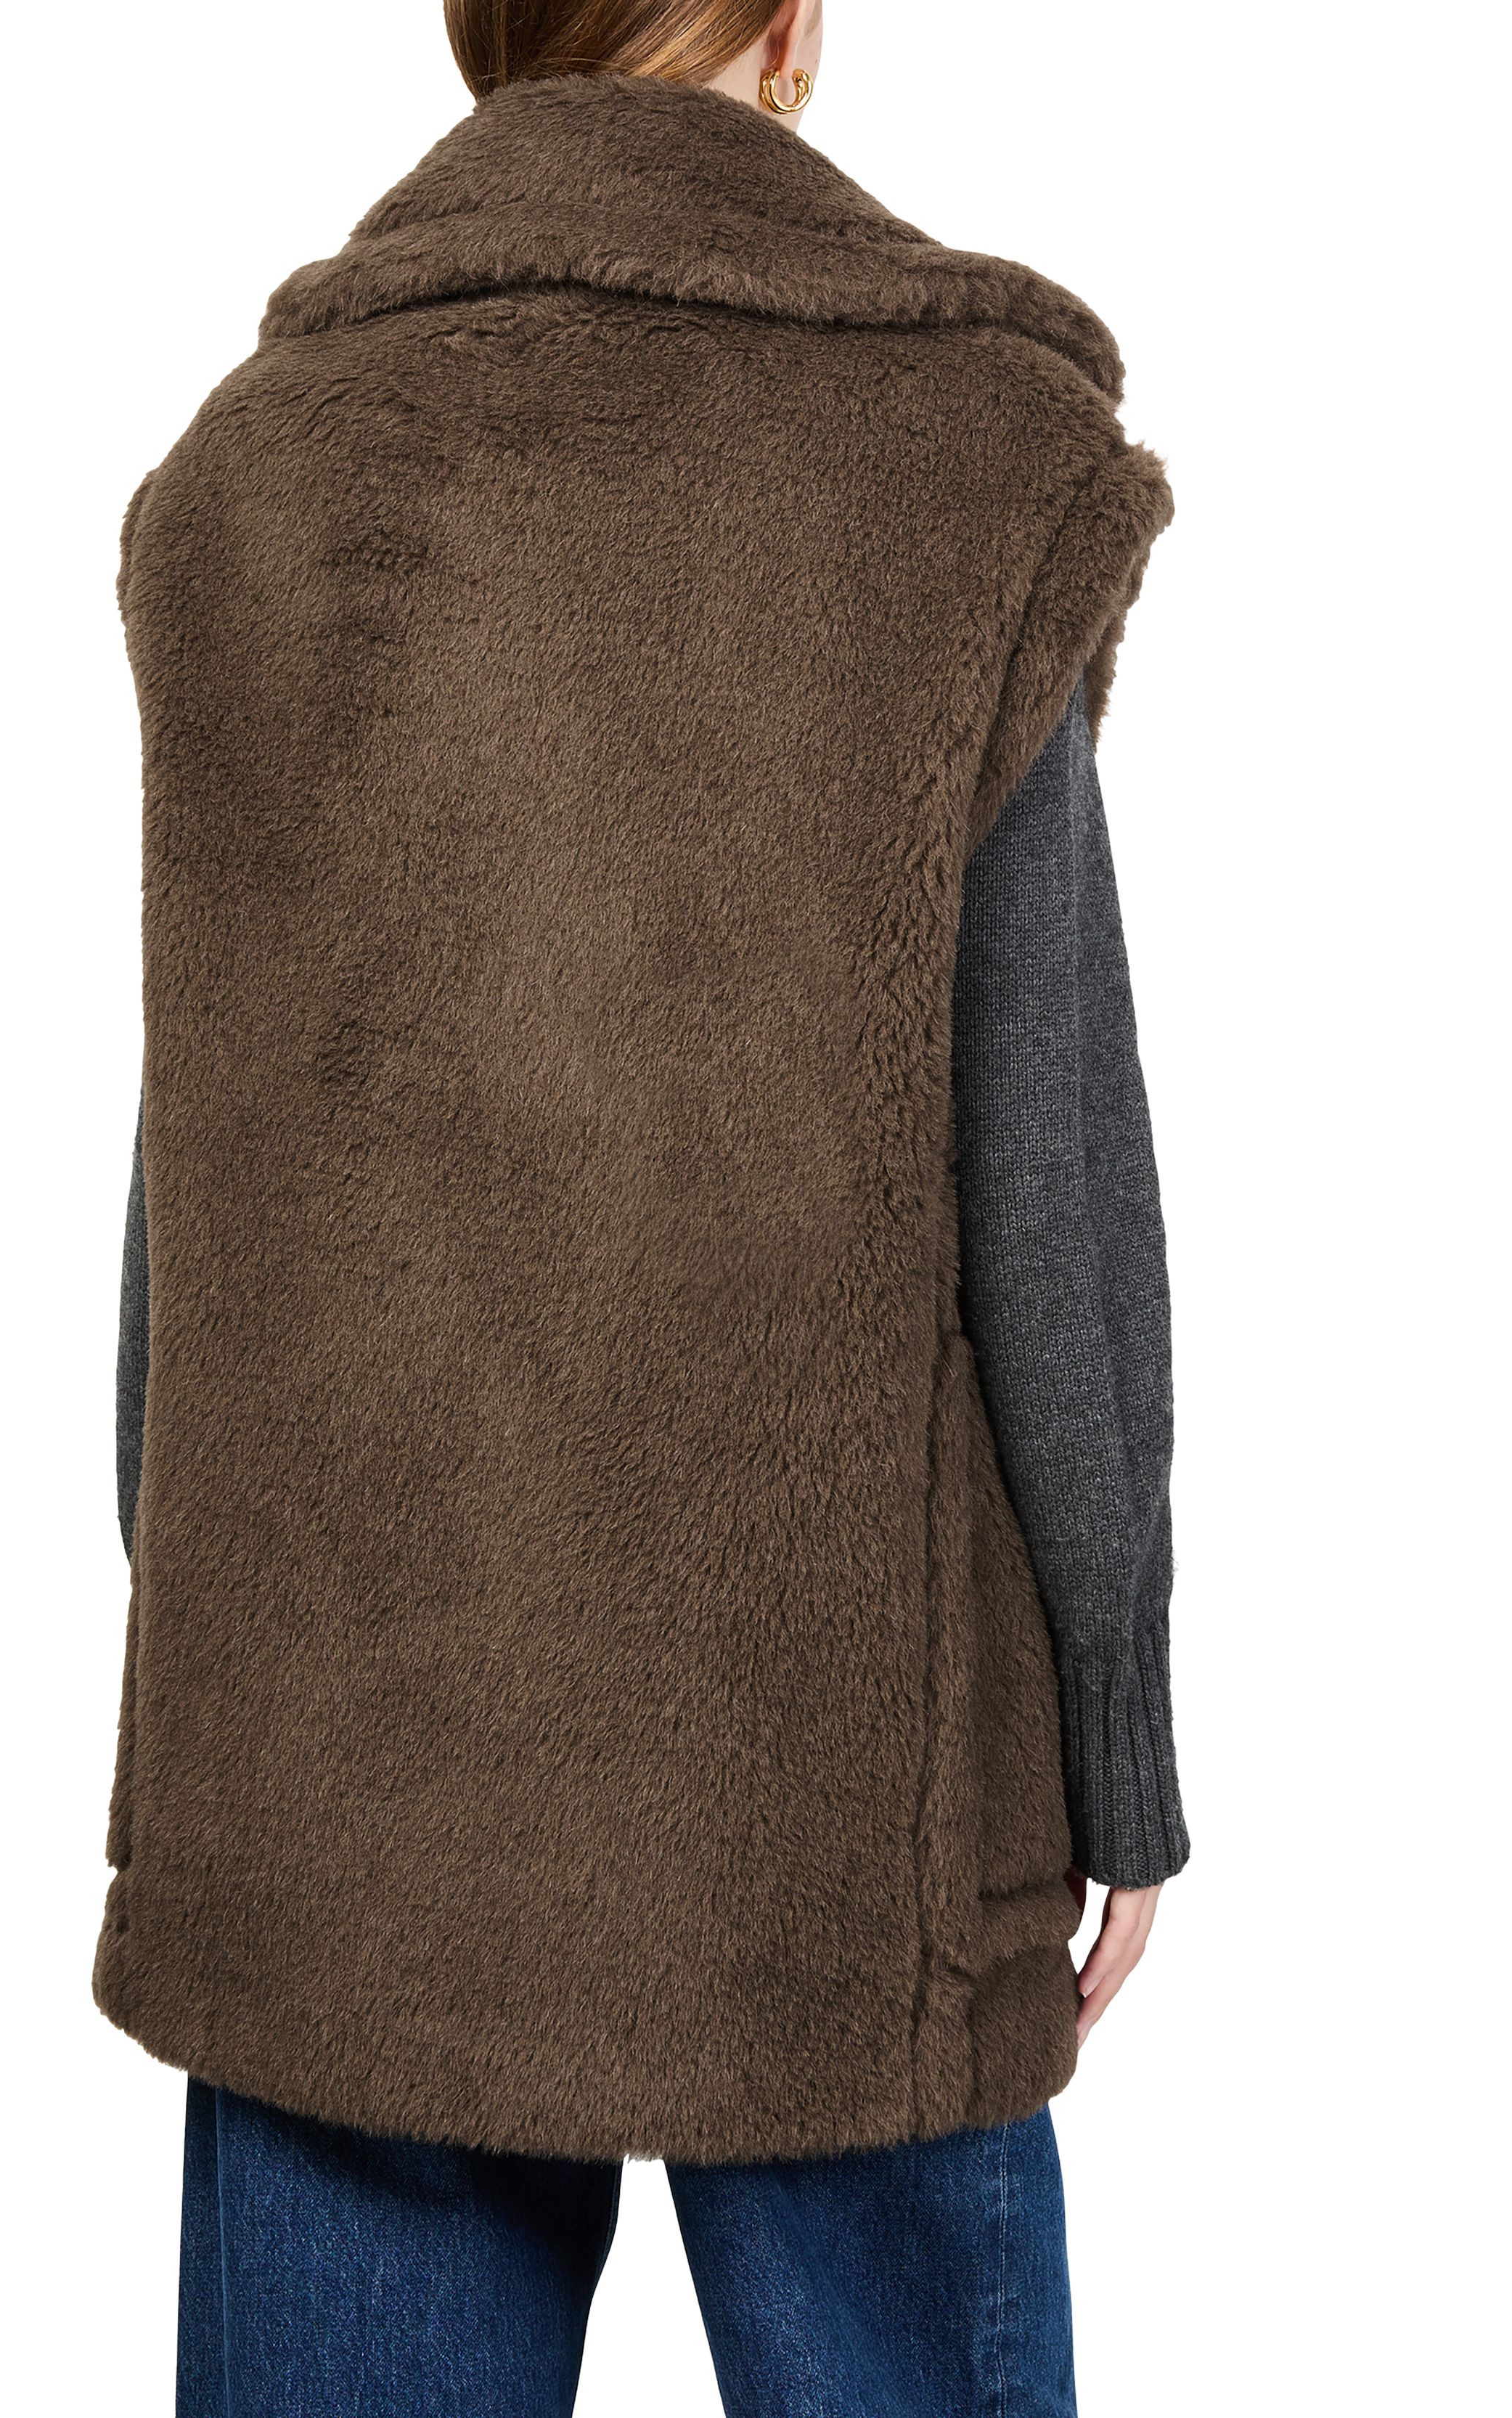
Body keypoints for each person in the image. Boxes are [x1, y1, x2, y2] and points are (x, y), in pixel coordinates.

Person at [99, 3, 1190, 2409]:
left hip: (335, 1772)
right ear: (791, 26)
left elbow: (199, 1178)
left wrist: (211, 1680)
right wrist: (1119, 1731)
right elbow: (1050, 1182)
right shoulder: (960, 458)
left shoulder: (257, 470)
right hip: (835, 1807)